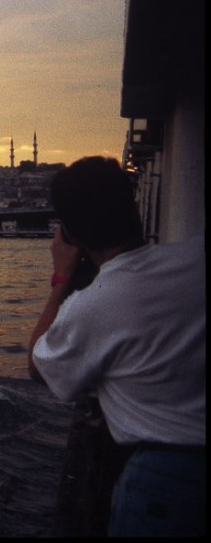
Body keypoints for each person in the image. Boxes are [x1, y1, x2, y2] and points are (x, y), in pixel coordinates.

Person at [28, 156, 205, 537]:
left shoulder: (95, 304)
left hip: (162, 481)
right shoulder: (197, 259)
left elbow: (37, 366)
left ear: (70, 233)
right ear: (134, 206)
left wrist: (61, 277)